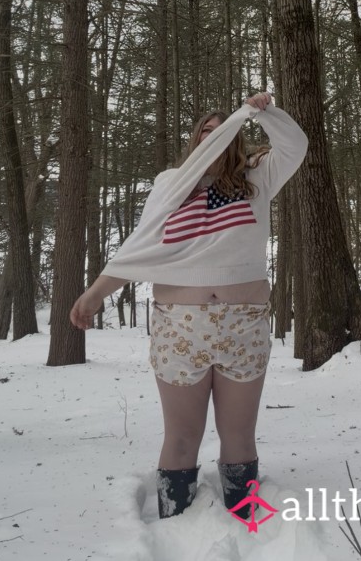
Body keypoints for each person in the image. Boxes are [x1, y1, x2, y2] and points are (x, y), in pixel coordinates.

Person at [70, 91, 308, 520]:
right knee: (181, 436)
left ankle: (244, 520)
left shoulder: (259, 180)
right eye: (207, 132)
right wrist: (95, 293)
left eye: (225, 133)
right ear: (195, 140)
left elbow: (296, 146)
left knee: (238, 435)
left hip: (244, 327)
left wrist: (262, 113)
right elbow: (141, 248)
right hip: (180, 329)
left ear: (236, 141)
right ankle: (174, 521)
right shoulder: (170, 184)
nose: (214, 139)